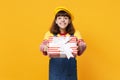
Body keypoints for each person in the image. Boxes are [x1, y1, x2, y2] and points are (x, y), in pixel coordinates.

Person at [40, 7, 86, 80]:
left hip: (70, 68)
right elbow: (42, 46)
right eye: (59, 18)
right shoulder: (49, 34)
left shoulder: (75, 33)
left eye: (65, 18)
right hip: (55, 68)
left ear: (69, 21)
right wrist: (45, 47)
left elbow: (82, 45)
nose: (62, 20)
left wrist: (80, 46)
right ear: (56, 21)